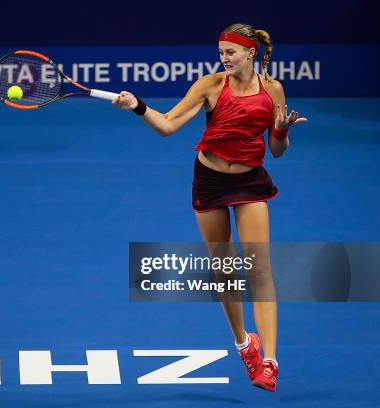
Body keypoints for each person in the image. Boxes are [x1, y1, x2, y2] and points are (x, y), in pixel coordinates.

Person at [113, 23, 307, 392]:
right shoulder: (210, 86)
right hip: (210, 180)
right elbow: (168, 125)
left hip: (251, 182)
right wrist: (137, 106)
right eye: (221, 53)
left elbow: (277, 150)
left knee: (259, 267)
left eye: (230, 52)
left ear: (250, 53)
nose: (224, 59)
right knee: (224, 270)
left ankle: (270, 360)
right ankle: (243, 342)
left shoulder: (273, 90)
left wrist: (281, 131)